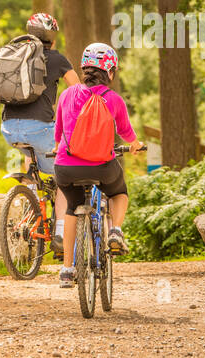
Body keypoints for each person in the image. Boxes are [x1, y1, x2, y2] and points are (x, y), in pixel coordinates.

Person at [52, 43, 146, 288]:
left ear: (84, 69)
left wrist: (57, 149)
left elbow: (59, 132)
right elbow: (126, 132)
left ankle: (67, 269)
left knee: (72, 207)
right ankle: (115, 230)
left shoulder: (67, 95)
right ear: (110, 72)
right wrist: (135, 145)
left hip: (66, 167)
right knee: (119, 192)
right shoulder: (113, 99)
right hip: (101, 166)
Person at [0, 12, 80, 244]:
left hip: (8, 128)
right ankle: (61, 232)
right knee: (63, 175)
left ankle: (32, 202)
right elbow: (79, 91)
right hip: (40, 128)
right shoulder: (56, 58)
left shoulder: (14, 53)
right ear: (52, 38)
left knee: (30, 154)